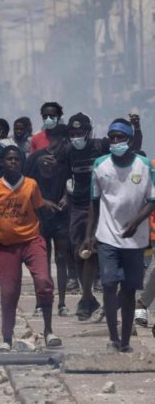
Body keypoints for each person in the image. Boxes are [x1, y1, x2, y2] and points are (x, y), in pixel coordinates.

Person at [0, 146, 62, 351]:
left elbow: (40, 211)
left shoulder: (31, 185)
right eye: (9, 159)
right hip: (7, 247)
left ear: (22, 162)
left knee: (43, 281)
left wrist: (44, 238)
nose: (13, 162)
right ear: (2, 162)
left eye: (17, 159)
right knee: (8, 292)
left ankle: (48, 330)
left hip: (32, 240)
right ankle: (7, 337)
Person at [82, 119, 155, 353]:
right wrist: (89, 235)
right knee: (109, 284)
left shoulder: (144, 165)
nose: (115, 142)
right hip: (107, 237)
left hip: (135, 240)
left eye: (120, 138)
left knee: (129, 289)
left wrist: (136, 221)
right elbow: (93, 203)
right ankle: (113, 337)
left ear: (129, 141)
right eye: (111, 137)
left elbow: (152, 200)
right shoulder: (100, 165)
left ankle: (125, 341)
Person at [65, 112, 143, 321]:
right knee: (79, 252)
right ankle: (87, 296)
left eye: (80, 133)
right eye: (72, 133)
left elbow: (132, 147)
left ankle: (101, 298)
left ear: (88, 132)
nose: (76, 137)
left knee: (96, 250)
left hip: (104, 205)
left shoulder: (101, 146)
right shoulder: (68, 151)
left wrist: (136, 126)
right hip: (79, 205)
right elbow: (62, 176)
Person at [24, 124, 71, 317]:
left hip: (61, 216)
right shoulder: (35, 159)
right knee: (42, 260)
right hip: (41, 216)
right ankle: (40, 302)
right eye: (59, 139)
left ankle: (62, 302)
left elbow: (73, 181)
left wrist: (66, 198)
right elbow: (25, 186)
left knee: (61, 259)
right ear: (51, 138)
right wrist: (44, 202)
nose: (62, 143)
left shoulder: (67, 160)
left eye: (65, 139)